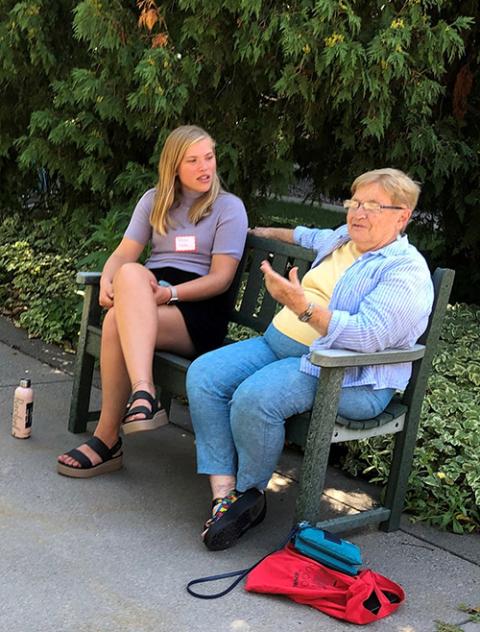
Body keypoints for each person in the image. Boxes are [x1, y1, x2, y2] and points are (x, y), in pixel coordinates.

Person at [186, 168, 434, 551]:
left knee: (255, 398)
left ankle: (249, 495)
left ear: (402, 216)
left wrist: (303, 308)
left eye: (372, 206)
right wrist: (265, 233)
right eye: (355, 202)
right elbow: (307, 235)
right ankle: (226, 494)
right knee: (205, 375)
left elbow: (368, 335)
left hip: (347, 374)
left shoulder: (404, 270)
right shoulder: (343, 238)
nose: (358, 213)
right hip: (280, 346)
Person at [57, 125, 248, 478]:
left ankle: (109, 437)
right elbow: (122, 254)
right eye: (193, 160)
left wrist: (170, 294)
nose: (205, 167)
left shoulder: (228, 208)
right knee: (127, 277)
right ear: (174, 166)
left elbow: (221, 279)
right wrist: (108, 281)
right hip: (150, 294)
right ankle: (142, 397)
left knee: (117, 317)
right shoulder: (154, 201)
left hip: (196, 308)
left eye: (209, 157)